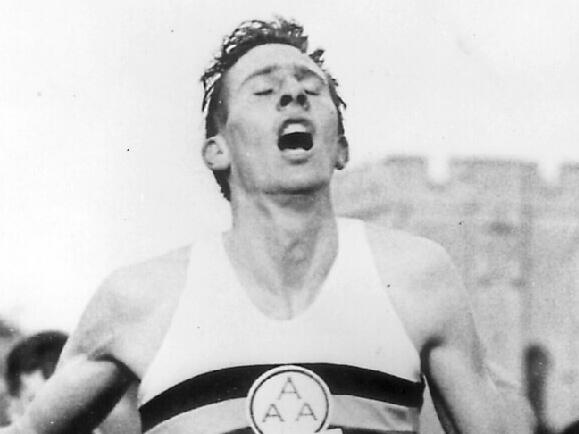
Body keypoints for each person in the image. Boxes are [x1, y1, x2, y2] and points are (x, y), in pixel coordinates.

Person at [1, 17, 519, 433]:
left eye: (310, 89)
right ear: (217, 149)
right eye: (264, 89)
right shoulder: (141, 299)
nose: (293, 96)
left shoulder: (415, 278)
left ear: (339, 146)